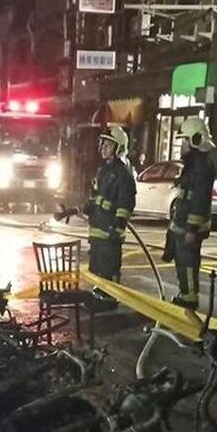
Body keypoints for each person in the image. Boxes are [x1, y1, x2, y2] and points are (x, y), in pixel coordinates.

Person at [164, 116, 216, 311]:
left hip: (190, 225)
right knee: (182, 259)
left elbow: (200, 199)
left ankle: (189, 298)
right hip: (184, 222)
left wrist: (192, 228)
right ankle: (185, 294)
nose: (181, 146)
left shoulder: (201, 165)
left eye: (184, 141)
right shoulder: (194, 163)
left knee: (187, 261)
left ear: (195, 140)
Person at [83, 124, 135, 306]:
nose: (103, 148)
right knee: (97, 266)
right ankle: (98, 296)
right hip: (98, 227)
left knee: (108, 267)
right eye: (103, 144)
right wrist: (90, 206)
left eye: (108, 145)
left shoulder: (123, 173)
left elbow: (126, 201)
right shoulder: (103, 170)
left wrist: (119, 223)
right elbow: (97, 195)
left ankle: (108, 299)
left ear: (118, 148)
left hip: (110, 230)